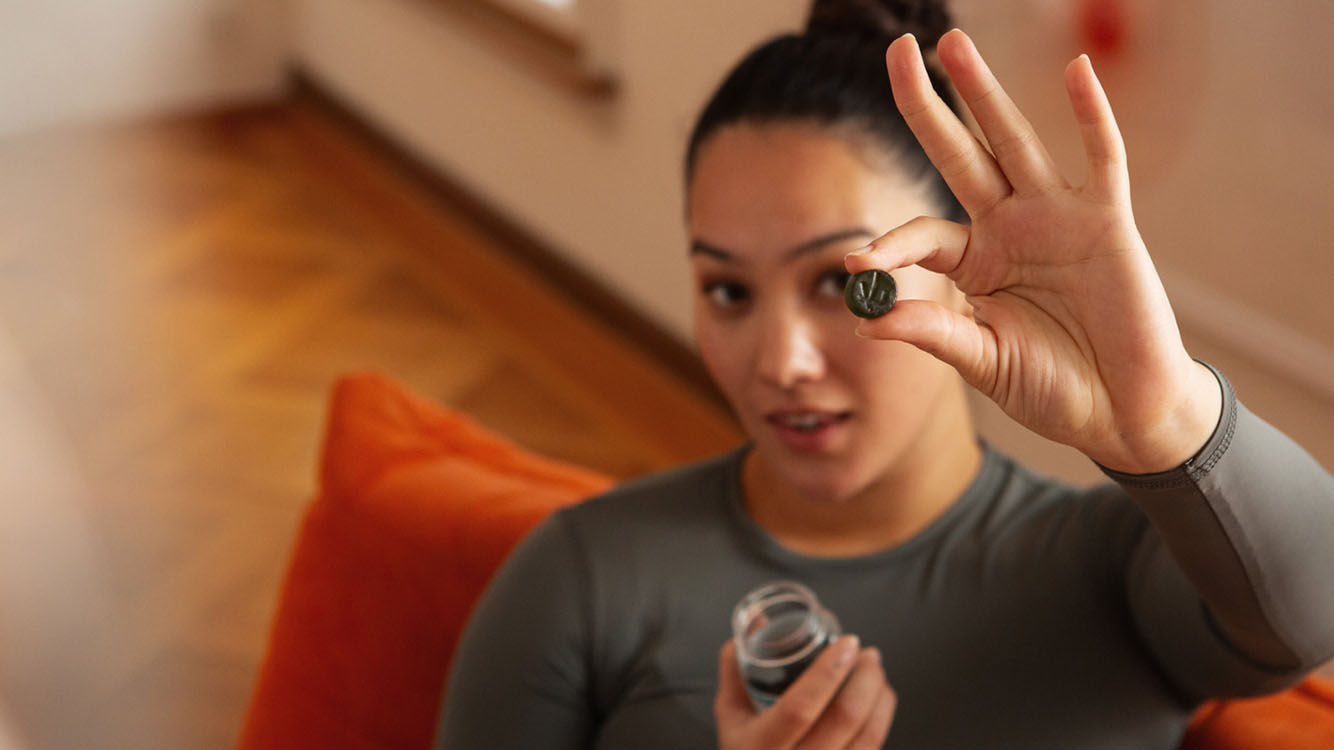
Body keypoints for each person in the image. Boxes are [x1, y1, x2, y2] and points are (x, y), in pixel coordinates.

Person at [435, 1, 1334, 747]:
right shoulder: (580, 581)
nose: (780, 362)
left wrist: (1163, 416)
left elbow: (1314, 608)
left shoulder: (1113, 572)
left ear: (962, 270)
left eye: (840, 281)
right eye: (727, 290)